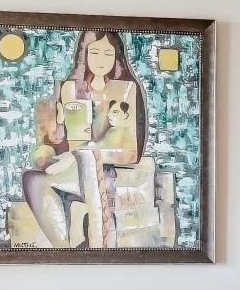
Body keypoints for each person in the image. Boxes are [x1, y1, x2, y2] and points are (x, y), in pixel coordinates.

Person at [21, 29, 146, 247]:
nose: (100, 60)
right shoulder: (71, 88)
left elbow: (129, 152)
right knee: (32, 179)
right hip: (75, 170)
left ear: (117, 56)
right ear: (84, 54)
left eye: (108, 53)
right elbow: (59, 136)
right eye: (94, 52)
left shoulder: (125, 90)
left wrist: (79, 155)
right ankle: (64, 250)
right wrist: (50, 151)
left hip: (107, 171)